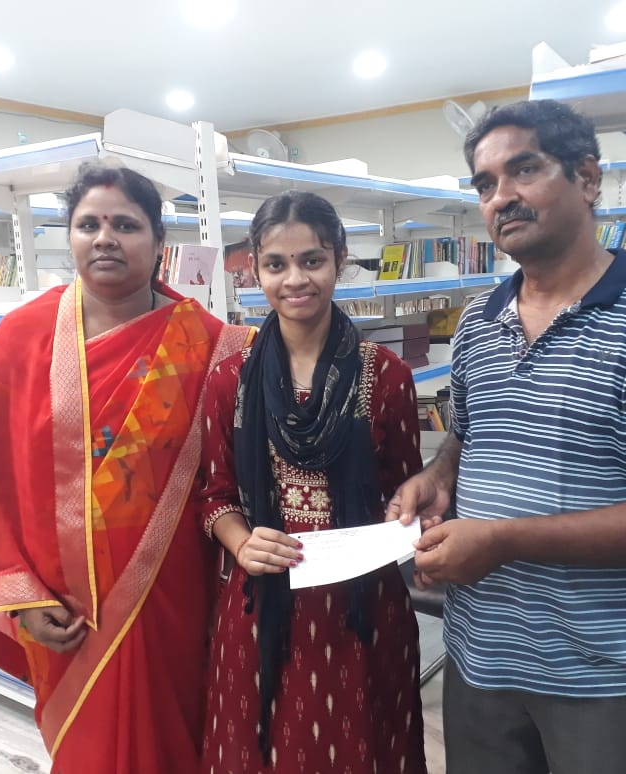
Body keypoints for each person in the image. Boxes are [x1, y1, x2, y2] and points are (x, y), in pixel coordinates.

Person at [390, 99, 626, 774]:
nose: (501, 197)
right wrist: (438, 475)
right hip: (479, 656)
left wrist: (502, 540)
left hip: (601, 674)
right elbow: (468, 435)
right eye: (485, 185)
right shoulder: (478, 323)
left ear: (588, 178)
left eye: (524, 170)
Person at [0, 161, 253, 773]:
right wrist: (21, 597)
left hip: (172, 595)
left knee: (175, 737)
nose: (105, 238)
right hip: (63, 605)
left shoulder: (211, 344)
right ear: (69, 236)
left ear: (160, 242)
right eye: (88, 224)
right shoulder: (19, 341)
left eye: (126, 225)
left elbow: (231, 475)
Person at [199, 190, 428, 773]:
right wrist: (241, 543)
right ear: (255, 269)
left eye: (312, 260)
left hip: (361, 609)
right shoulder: (230, 380)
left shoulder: (388, 376)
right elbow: (215, 497)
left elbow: (406, 493)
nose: (295, 280)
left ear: (340, 260)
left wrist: (405, 518)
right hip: (262, 604)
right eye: (276, 264)